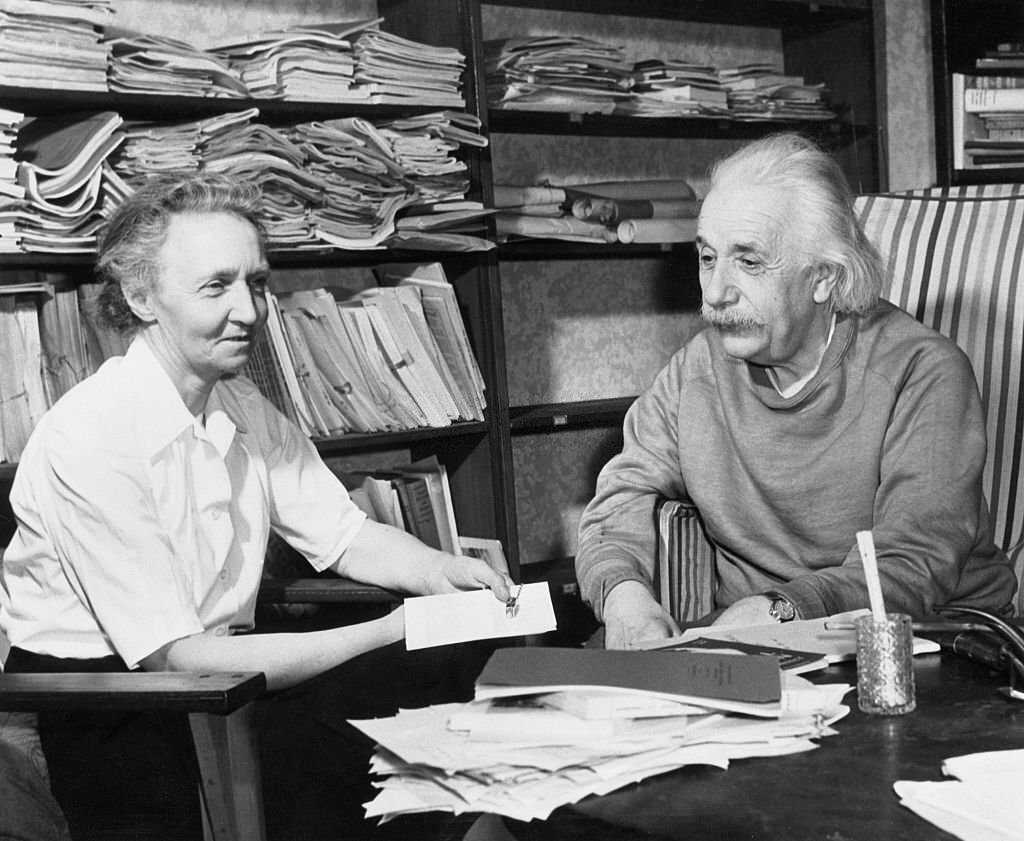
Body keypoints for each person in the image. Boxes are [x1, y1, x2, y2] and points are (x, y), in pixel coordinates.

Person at [0, 172, 511, 839]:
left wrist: (440, 573)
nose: (250, 310)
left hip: (227, 667)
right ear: (140, 295)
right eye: (217, 286)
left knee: (449, 669)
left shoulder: (239, 402)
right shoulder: (88, 434)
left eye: (258, 282)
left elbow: (347, 534)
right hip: (104, 695)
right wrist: (393, 628)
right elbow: (173, 659)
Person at [575, 132, 1018, 651]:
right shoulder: (696, 370)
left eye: (749, 261)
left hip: (933, 643)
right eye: (708, 257)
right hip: (754, 646)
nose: (715, 293)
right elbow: (620, 497)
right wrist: (624, 597)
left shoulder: (922, 372)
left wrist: (783, 610)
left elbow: (913, 565)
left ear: (825, 278)